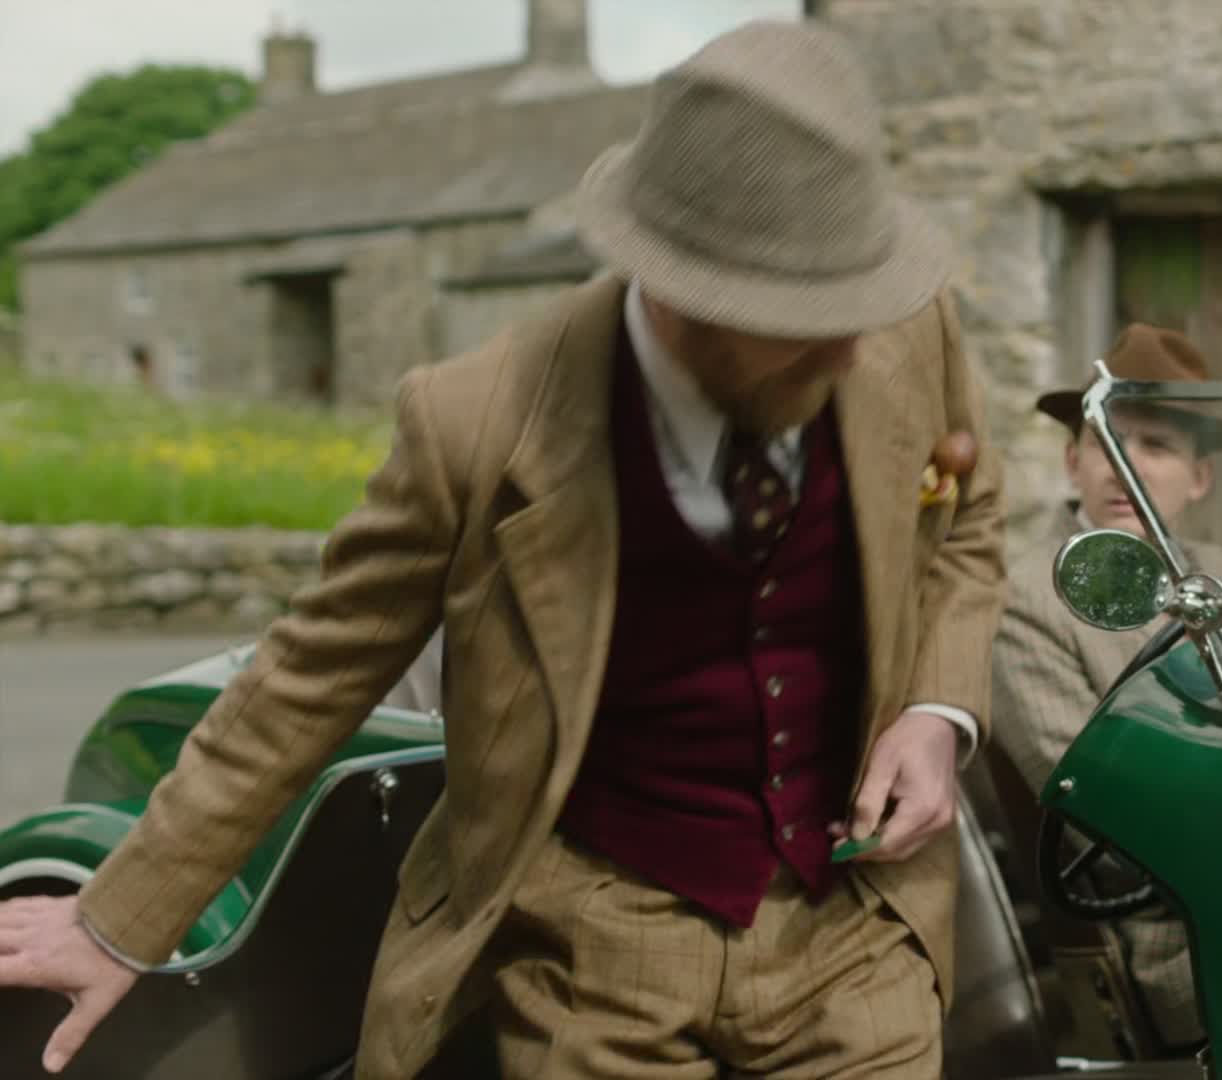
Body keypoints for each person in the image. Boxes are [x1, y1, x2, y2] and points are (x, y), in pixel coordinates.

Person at [0, 21, 1005, 1080]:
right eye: (806, 318)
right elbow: (302, 681)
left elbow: (969, 521)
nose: (852, 346)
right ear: (682, 295)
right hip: (595, 951)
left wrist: (936, 712)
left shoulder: (901, 327)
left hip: (852, 934)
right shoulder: (474, 424)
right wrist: (116, 921)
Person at [990, 323, 1222, 1056]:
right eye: (1107, 442)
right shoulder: (1028, 600)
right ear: (1072, 460)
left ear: (1199, 478)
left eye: (1157, 446)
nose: (1124, 468)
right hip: (1178, 936)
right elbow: (1104, 814)